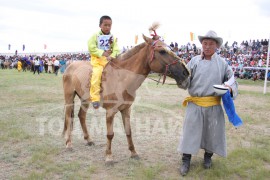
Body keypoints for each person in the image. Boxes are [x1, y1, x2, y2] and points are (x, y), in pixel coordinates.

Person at [178, 30, 238, 176]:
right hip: (195, 103)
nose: (207, 46)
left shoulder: (223, 63)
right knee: (190, 132)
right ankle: (186, 160)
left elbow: (232, 80)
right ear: (201, 45)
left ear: (216, 46)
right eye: (205, 43)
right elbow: (185, 81)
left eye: (211, 44)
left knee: (212, 132)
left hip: (213, 104)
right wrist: (180, 77)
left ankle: (208, 158)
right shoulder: (194, 61)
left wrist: (229, 87)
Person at [87, 15, 120, 109]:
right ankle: (95, 98)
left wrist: (112, 56)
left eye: (109, 25)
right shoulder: (95, 36)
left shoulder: (112, 37)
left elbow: (116, 49)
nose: (107, 27)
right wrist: (103, 53)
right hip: (97, 61)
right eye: (105, 25)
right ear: (100, 25)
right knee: (96, 75)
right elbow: (91, 48)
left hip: (109, 61)